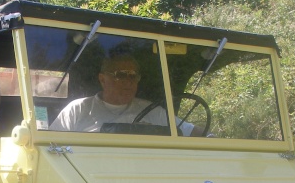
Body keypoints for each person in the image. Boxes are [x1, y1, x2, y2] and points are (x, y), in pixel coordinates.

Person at [50, 54, 194, 135]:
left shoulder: (152, 111)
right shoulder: (78, 109)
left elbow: (189, 130)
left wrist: (212, 138)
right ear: (102, 79)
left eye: (133, 76)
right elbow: (50, 144)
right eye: (121, 75)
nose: (128, 82)